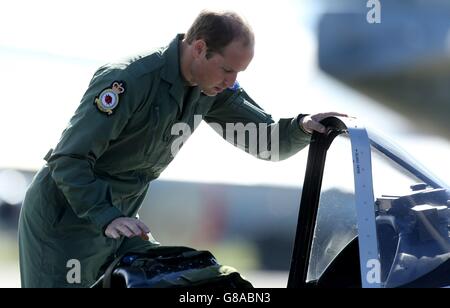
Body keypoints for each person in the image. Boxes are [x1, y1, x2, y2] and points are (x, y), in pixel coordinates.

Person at [18, 10, 346, 288]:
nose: (232, 82)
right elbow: (68, 159)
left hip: (121, 224)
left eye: (239, 73)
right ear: (200, 48)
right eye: (228, 69)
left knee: (212, 284)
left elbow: (265, 141)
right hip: (64, 224)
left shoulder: (211, 89)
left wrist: (303, 126)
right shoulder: (129, 80)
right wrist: (107, 216)